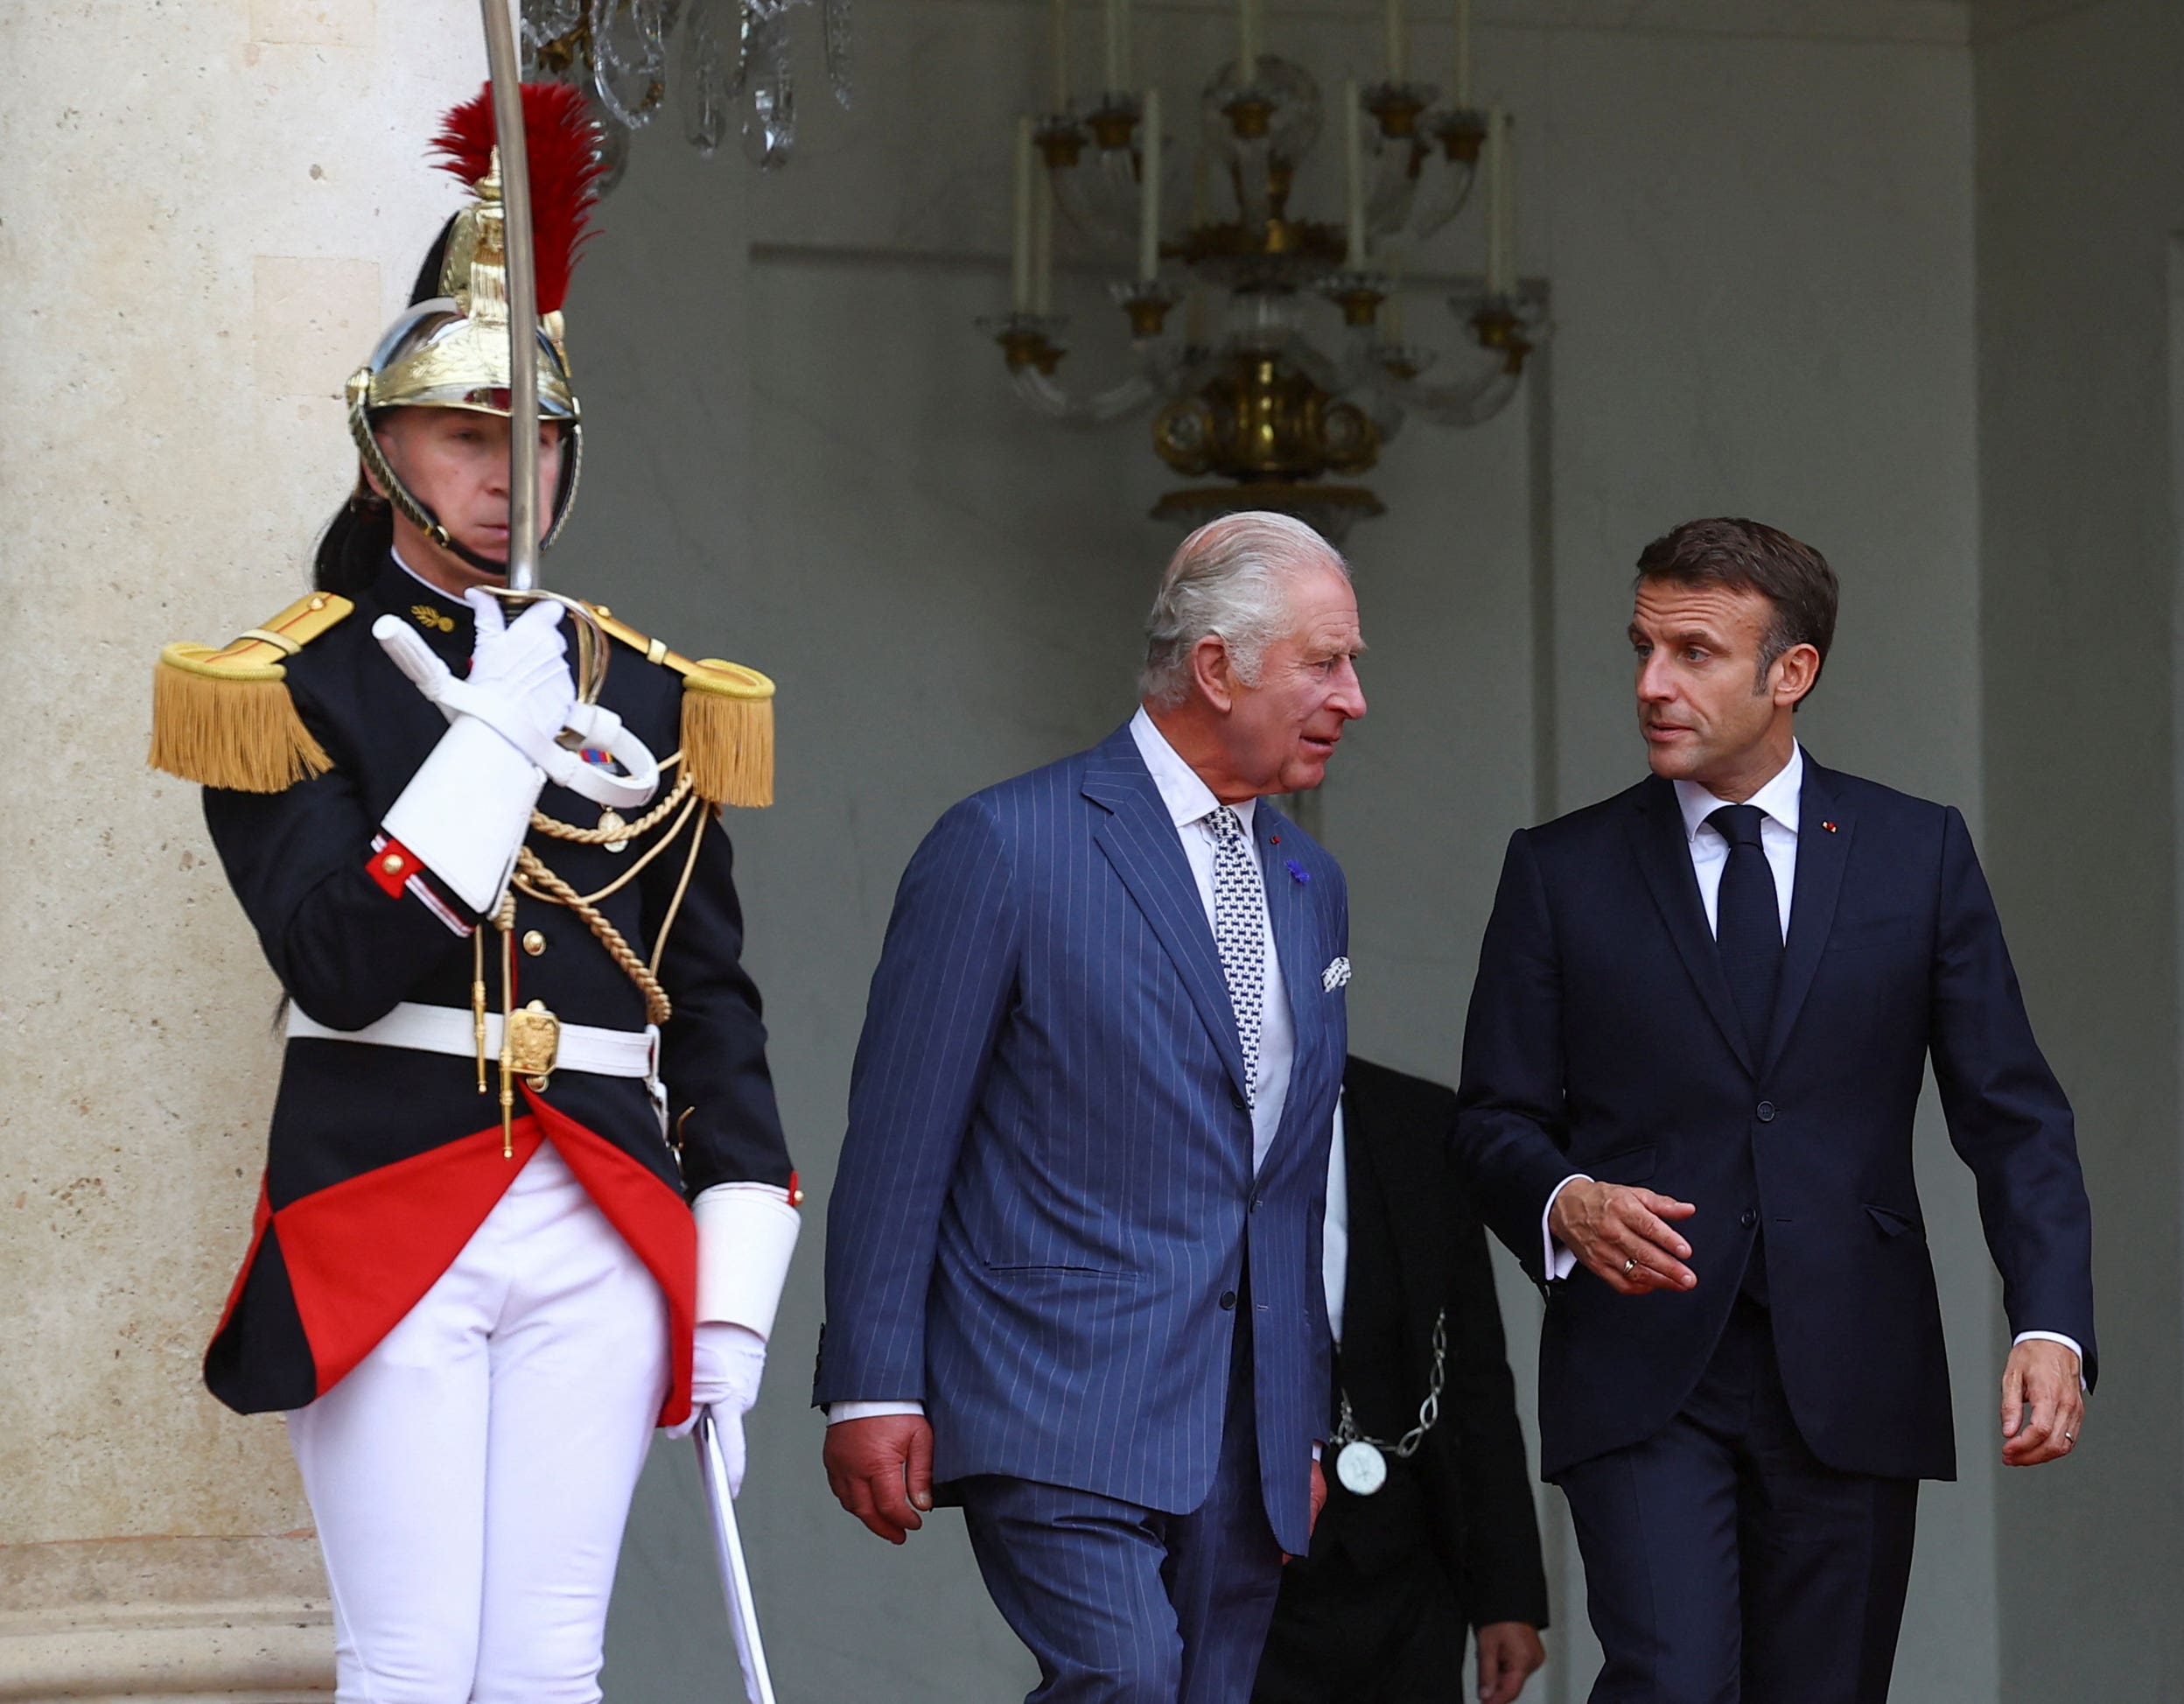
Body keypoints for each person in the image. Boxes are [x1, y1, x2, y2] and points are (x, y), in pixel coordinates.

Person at [150, 83, 798, 1704]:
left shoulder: (655, 696)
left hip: (603, 1210)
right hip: (391, 1193)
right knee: (415, 1663)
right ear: (385, 450)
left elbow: (711, 1011)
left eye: (540, 438)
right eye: (469, 433)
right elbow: (340, 957)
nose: (512, 471)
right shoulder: (283, 683)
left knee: (547, 1670)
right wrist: (493, 743)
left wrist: (734, 1301)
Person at [1450, 517, 2096, 1704]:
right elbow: (1490, 1116)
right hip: (1644, 1360)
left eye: (1694, 651)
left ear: (1790, 672)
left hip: (1852, 1362)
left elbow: (2012, 1113)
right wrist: (1563, 1197)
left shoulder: (1918, 853)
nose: (1652, 683)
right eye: (1642, 646)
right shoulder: (1560, 869)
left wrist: (2049, 1321)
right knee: (1671, 1679)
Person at [816, 511, 1366, 1704]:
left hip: (1249, 1410)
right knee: (1124, 1677)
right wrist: (873, 1381)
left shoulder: (1312, 882)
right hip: (1051, 1382)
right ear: (1219, 667)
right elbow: (903, 1138)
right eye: (1326, 660)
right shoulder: (1008, 844)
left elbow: (1295, 1174)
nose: (1353, 695)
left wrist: (1305, 1420)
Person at [1251, 1056, 1548, 1704]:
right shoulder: (1179, 1111)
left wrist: (1506, 1593)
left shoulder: (1418, 1118)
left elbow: (1475, 1374)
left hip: (1407, 1573)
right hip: (1244, 1568)